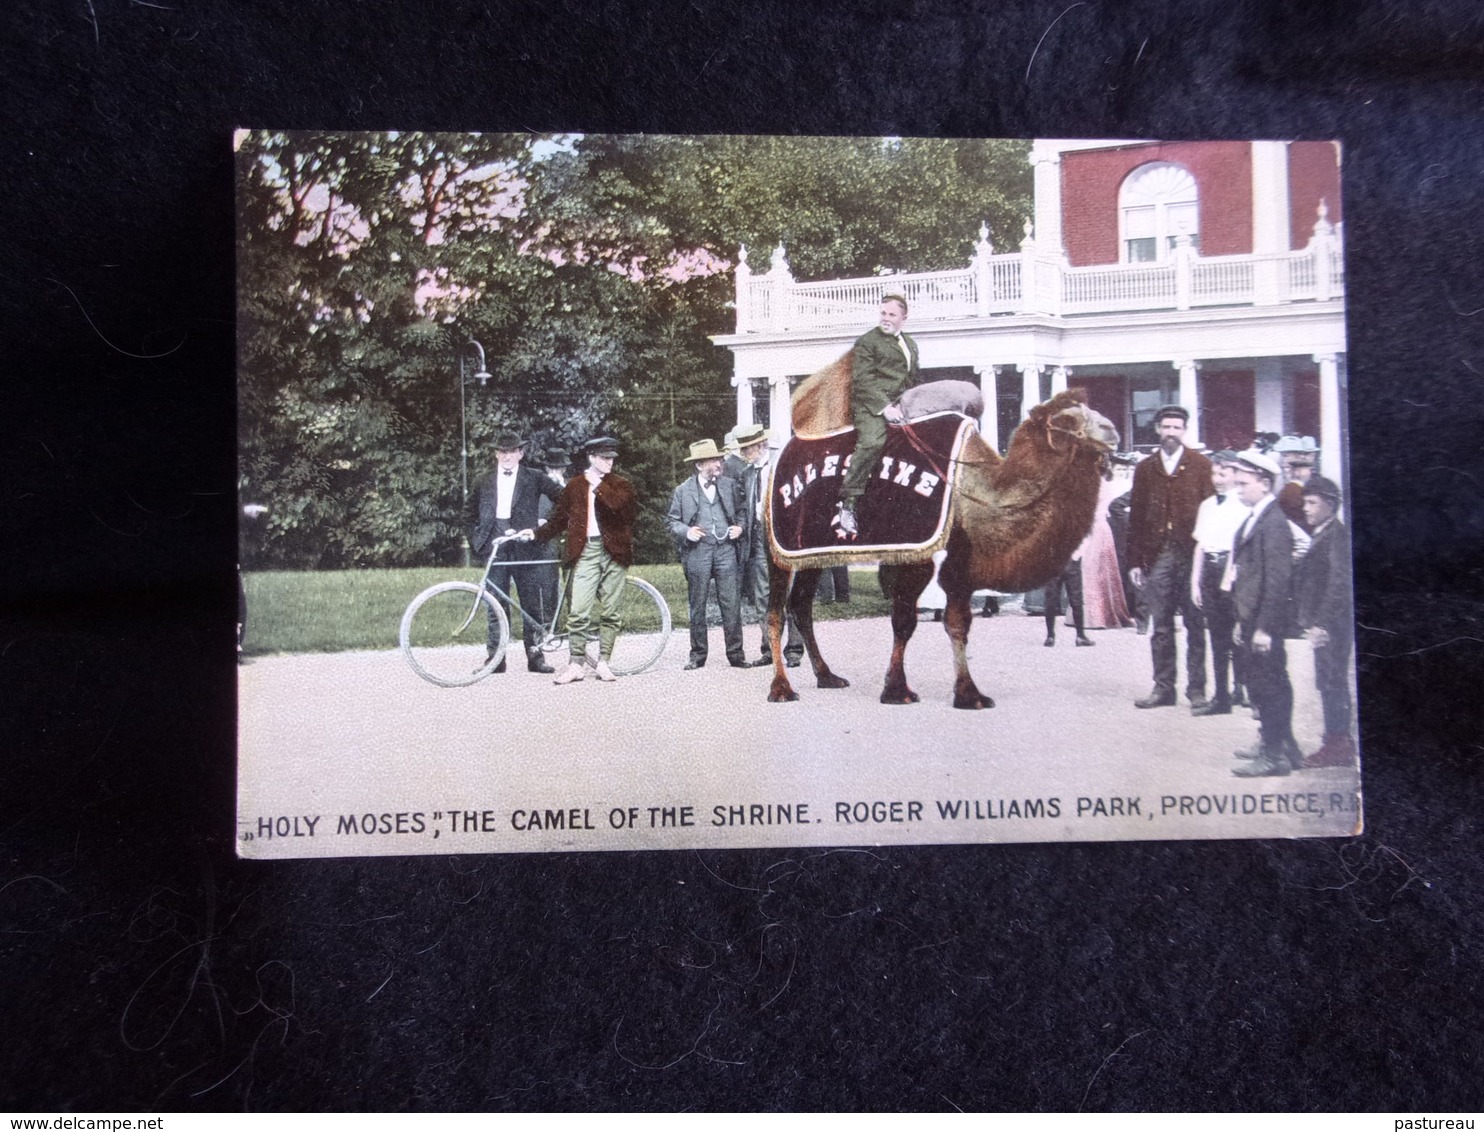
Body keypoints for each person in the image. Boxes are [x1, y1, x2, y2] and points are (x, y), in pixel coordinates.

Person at [524, 436, 638, 685]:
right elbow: (558, 520)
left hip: (614, 553)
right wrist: (534, 533)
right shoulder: (575, 486)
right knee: (578, 611)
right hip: (585, 550)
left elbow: (621, 510)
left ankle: (604, 662)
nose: (609, 462)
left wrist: (598, 485)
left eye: (612, 458)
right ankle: (576, 664)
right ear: (592, 458)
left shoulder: (621, 485)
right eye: (604, 458)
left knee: (611, 611)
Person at [1127, 405, 1213, 709]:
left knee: (1195, 623)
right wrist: (1135, 561)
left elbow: (1211, 511)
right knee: (1161, 624)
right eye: (1166, 427)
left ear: (1185, 431)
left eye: (1177, 428)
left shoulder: (1201, 465)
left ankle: (1197, 690)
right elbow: (1136, 517)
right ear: (1158, 430)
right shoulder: (1146, 468)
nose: (1171, 433)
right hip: (1158, 554)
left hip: (1191, 556)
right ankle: (1164, 688)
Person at [1227, 449, 1301, 777]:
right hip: (1252, 618)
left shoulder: (1273, 522)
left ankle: (1273, 756)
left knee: (1268, 686)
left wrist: (1264, 628)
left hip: (1263, 621)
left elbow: (1277, 581)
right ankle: (1283, 746)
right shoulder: (1256, 516)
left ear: (1265, 483)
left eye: (1244, 483)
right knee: (1266, 684)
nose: (1239, 488)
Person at [466, 431, 564, 673]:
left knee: (531, 602)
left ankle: (535, 656)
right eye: (502, 452)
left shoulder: (534, 477)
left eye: (512, 451)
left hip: (526, 546)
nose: (507, 456)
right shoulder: (483, 480)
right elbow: (467, 515)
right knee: (494, 603)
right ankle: (496, 659)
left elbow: (563, 498)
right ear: (496, 454)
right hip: (495, 546)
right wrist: (478, 541)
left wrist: (545, 524)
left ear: (521, 453)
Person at [667, 438, 752, 670]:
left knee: (731, 603)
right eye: (713, 460)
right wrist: (687, 531)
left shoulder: (729, 485)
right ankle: (697, 656)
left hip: (726, 551)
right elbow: (672, 522)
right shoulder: (683, 491)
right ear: (699, 465)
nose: (719, 463)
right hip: (698, 552)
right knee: (698, 604)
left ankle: (736, 655)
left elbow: (743, 511)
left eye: (719, 458)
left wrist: (740, 528)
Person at [838, 294, 919, 536]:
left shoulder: (910, 343)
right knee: (873, 441)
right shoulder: (867, 342)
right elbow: (862, 382)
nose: (885, 318)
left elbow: (913, 378)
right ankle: (848, 504)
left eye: (891, 315)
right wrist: (886, 408)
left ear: (903, 318)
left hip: (902, 403)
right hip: (870, 405)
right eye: (883, 313)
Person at [1294, 474, 1356, 768]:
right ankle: (1336, 739)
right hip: (1325, 624)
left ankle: (1338, 744)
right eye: (1305, 502)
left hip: (1332, 626)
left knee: (1332, 682)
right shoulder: (1325, 532)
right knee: (1328, 681)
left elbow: (1339, 584)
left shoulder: (1336, 535)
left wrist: (1322, 624)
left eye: (1312, 503)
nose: (1305, 508)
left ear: (1330, 504)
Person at [729, 424, 803, 667]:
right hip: (759, 537)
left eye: (747, 448)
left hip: (784, 535)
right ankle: (770, 649)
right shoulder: (748, 474)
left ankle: (793, 650)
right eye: (742, 449)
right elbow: (745, 508)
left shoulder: (783, 467)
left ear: (761, 446)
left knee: (790, 592)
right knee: (762, 595)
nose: (743, 453)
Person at [1189, 450, 1249, 715]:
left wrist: (1230, 578)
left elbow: (1240, 547)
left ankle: (1244, 690)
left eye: (1223, 473)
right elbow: (1200, 545)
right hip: (1210, 572)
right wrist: (1195, 582)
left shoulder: (1243, 506)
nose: (1218, 479)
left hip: (1232, 572)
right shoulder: (1208, 506)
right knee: (1217, 636)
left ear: (1236, 474)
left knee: (1239, 634)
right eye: (1214, 473)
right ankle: (1221, 696)